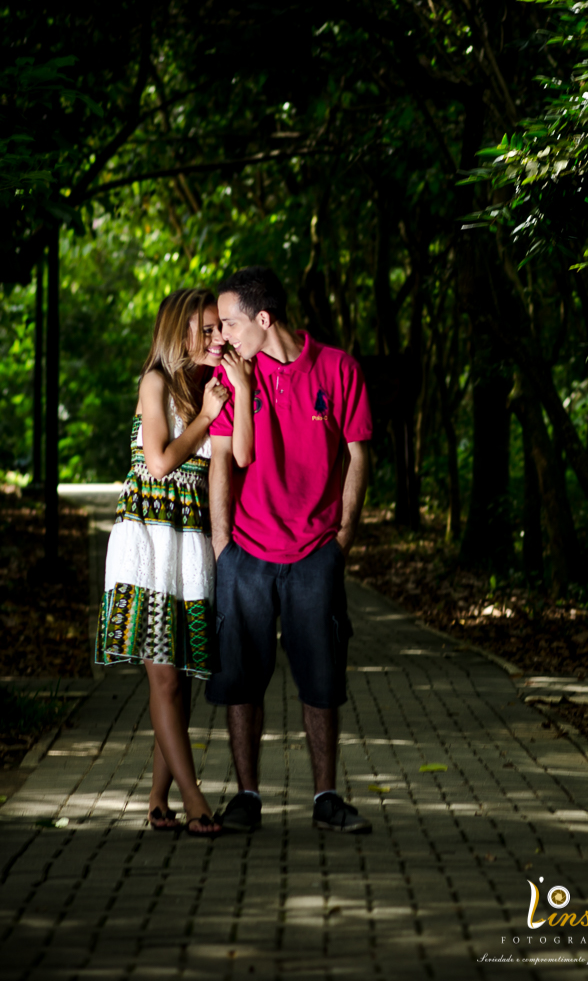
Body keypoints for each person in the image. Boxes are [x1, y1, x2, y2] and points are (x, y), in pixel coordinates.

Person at [206, 266, 373, 834]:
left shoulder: (337, 368)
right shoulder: (234, 380)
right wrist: (222, 544)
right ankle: (246, 797)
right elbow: (224, 461)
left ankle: (327, 797)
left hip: (315, 551)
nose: (221, 335)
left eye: (229, 322)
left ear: (263, 318)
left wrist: (342, 538)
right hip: (248, 552)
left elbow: (358, 456)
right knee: (241, 677)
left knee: (322, 678)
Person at [96, 287, 254, 837]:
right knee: (163, 679)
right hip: (148, 544)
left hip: (189, 544)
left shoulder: (210, 388)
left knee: (180, 680)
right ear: (178, 332)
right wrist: (207, 416)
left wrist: (221, 549)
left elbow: (226, 469)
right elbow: (160, 463)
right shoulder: (156, 383)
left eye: (218, 329)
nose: (216, 339)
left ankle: (158, 797)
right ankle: (193, 801)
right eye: (205, 330)